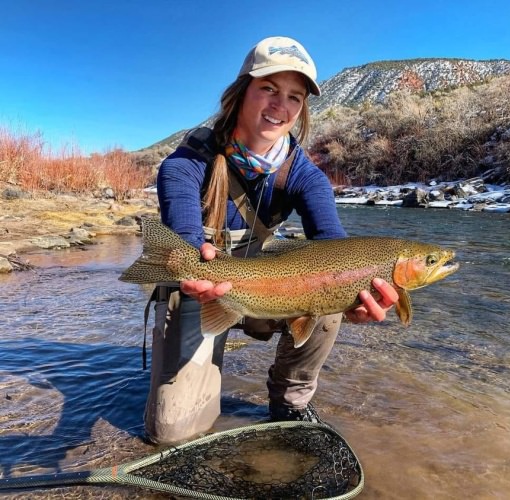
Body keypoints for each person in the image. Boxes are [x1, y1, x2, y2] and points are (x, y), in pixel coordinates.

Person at [145, 36, 399, 444]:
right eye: (269, 89)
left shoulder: (304, 174)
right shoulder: (187, 162)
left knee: (330, 292)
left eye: (294, 97)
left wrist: (358, 295)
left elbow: (335, 245)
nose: (282, 106)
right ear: (241, 92)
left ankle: (290, 402)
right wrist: (191, 260)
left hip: (269, 291)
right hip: (201, 289)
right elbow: (184, 236)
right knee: (172, 433)